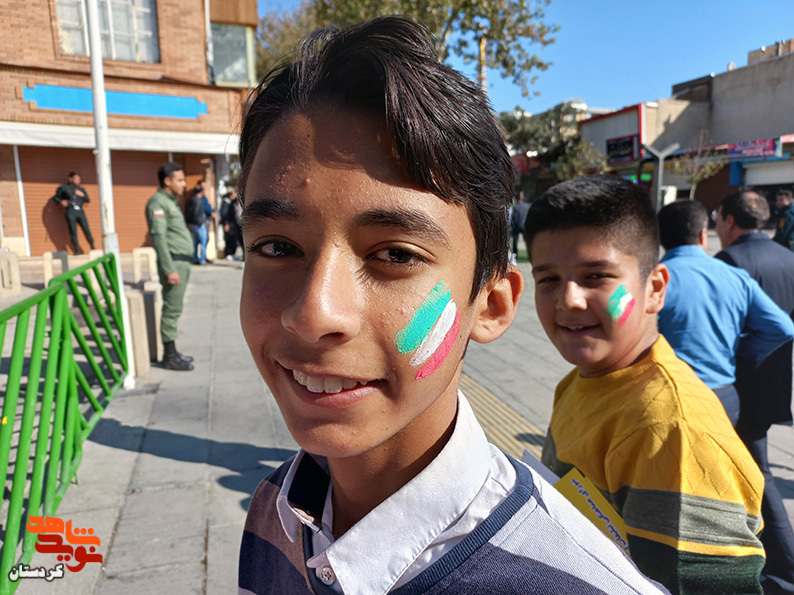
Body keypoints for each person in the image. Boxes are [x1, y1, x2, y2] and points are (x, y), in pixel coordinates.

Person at [237, 17, 668, 595]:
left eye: (395, 254)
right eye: (276, 247)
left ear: (489, 304)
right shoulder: (274, 512)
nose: (314, 315)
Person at [524, 175, 766, 594]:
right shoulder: (581, 379)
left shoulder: (673, 435)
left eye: (596, 276)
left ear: (654, 289)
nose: (568, 300)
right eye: (548, 279)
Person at [715, 189, 794, 594]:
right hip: (776, 379)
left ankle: (783, 562)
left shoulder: (728, 261)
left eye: (717, 218)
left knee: (757, 473)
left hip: (740, 383)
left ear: (729, 220)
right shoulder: (787, 256)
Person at [656, 199, 794, 425]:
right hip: (722, 397)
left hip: (665, 395)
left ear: (660, 238)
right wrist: (740, 348)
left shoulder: (650, 282)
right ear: (703, 235)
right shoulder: (736, 277)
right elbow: (783, 328)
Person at [145, 162, 194, 371]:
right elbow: (159, 238)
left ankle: (172, 351)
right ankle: (169, 356)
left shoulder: (170, 202)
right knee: (171, 309)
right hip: (174, 262)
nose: (184, 184)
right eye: (180, 180)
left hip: (181, 261)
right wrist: (169, 269)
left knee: (175, 308)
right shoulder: (157, 203)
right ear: (167, 181)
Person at [53, 171, 95, 255]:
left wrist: (82, 195)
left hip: (80, 211)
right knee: (73, 230)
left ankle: (92, 246)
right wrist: (61, 201)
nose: (78, 181)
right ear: (70, 179)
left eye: (79, 179)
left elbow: (87, 199)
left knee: (86, 228)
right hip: (70, 211)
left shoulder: (81, 189)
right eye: (76, 179)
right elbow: (55, 197)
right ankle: (77, 249)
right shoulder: (64, 188)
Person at [184, 180, 212, 264]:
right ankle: (202, 259)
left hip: (193, 224)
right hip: (199, 224)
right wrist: (200, 222)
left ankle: (195, 258)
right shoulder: (199, 200)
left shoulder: (192, 199)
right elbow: (197, 213)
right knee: (203, 241)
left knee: (196, 242)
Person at [219, 190, 243, 260]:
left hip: (234, 224)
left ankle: (232, 253)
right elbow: (225, 214)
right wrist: (227, 223)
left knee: (234, 239)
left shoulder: (233, 202)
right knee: (229, 239)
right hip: (230, 224)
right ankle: (229, 253)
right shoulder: (226, 203)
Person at [509, 192, 531, 258]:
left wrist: (511, 226)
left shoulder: (516, 207)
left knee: (515, 240)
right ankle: (530, 252)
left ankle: (515, 253)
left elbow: (514, 217)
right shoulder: (527, 206)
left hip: (517, 225)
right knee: (527, 240)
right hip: (525, 225)